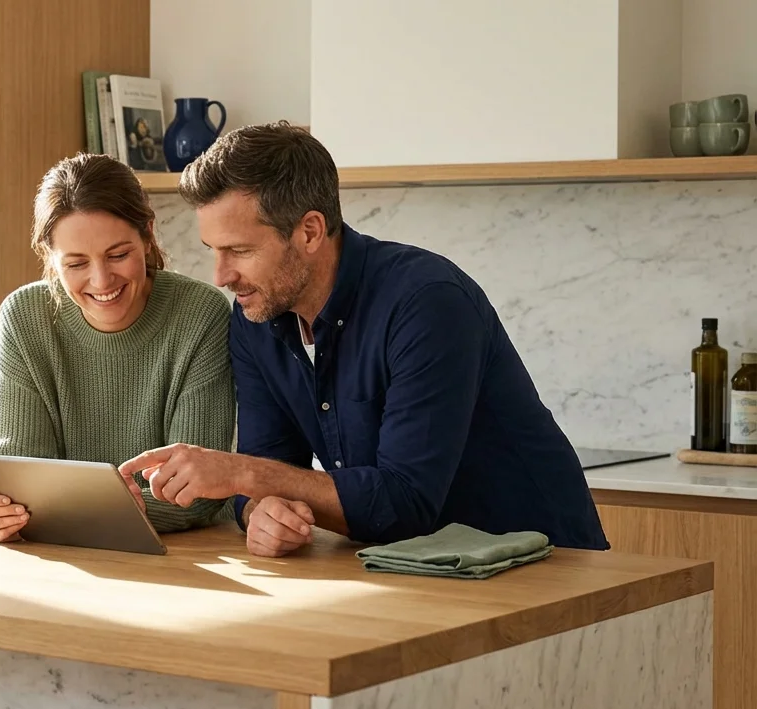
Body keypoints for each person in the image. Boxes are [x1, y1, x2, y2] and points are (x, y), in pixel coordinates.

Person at [119, 122, 610, 556]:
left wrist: (243, 475)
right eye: (213, 251)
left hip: (539, 562)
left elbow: (403, 502)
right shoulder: (256, 320)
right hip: (411, 565)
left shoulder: (426, 301)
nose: (222, 275)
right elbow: (269, 468)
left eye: (240, 250)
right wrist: (261, 514)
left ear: (310, 231)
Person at [0, 153, 235, 543]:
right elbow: (20, 478)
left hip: (189, 551)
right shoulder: (24, 318)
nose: (101, 280)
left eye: (118, 255)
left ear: (147, 235)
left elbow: (196, 495)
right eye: (76, 263)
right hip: (67, 555)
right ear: (49, 256)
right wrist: (5, 511)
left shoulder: (199, 313)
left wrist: (62, 508)